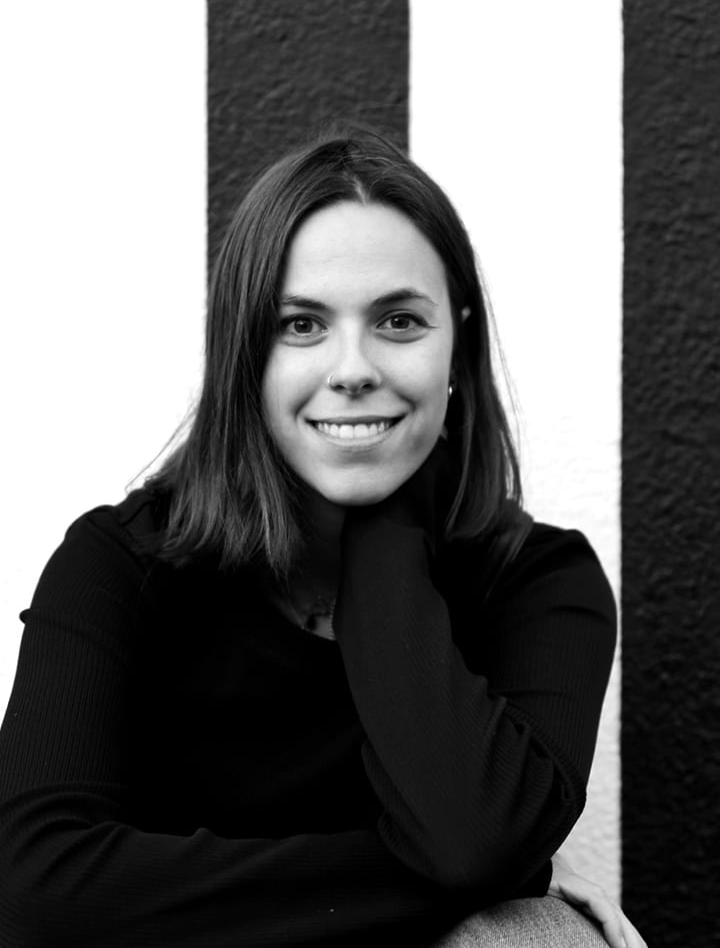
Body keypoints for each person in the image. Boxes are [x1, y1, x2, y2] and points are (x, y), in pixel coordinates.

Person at [0, 128, 645, 948]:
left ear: (458, 343)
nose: (353, 368)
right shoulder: (124, 564)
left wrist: (383, 536)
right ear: (246, 354)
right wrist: (506, 868)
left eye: (400, 321)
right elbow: (36, 893)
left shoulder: (537, 581)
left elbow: (474, 838)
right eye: (301, 325)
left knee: (536, 938)